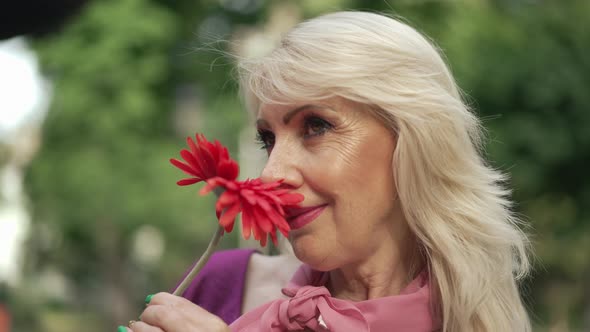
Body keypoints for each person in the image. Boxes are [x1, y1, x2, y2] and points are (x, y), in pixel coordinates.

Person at [122, 10, 531, 332]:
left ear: (414, 140)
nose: (270, 174)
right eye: (268, 139)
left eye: (316, 126)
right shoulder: (221, 285)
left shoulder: (475, 316)